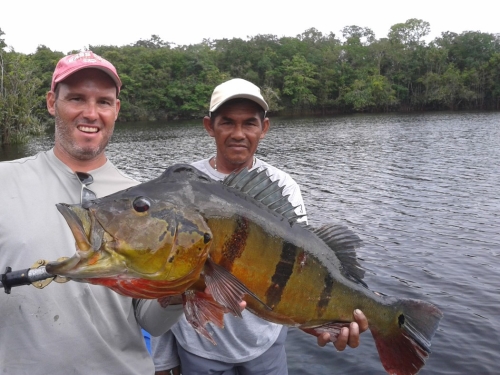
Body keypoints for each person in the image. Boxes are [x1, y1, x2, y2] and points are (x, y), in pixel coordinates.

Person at [151, 78, 368, 375]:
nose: (238, 133)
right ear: (208, 126)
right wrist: (163, 363)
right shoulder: (184, 188)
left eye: (249, 123)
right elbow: (162, 277)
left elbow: (300, 269)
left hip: (265, 346)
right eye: (227, 122)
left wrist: (315, 323)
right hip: (199, 347)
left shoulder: (283, 186)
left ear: (264, 128)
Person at [0, 51, 183, 374]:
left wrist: (179, 292)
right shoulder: (5, 181)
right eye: (76, 98)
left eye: (103, 101)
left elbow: (150, 322)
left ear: (116, 109)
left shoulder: (146, 202)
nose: (90, 113)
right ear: (51, 102)